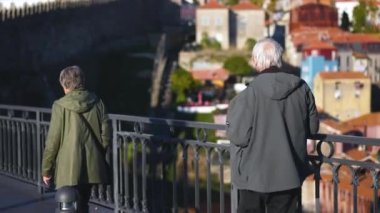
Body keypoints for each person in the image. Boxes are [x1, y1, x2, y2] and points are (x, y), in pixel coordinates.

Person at [226, 38, 319, 213]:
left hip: (253, 178)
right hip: (289, 175)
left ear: (255, 61)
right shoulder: (302, 89)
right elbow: (313, 129)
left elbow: (238, 136)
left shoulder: (247, 95)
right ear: (279, 60)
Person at [41, 65, 110, 213]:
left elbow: (53, 141)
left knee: (67, 206)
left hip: (68, 168)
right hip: (92, 164)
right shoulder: (98, 102)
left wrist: (47, 169)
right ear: (82, 81)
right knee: (83, 203)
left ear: (65, 84)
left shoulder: (59, 106)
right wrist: (98, 154)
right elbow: (106, 136)